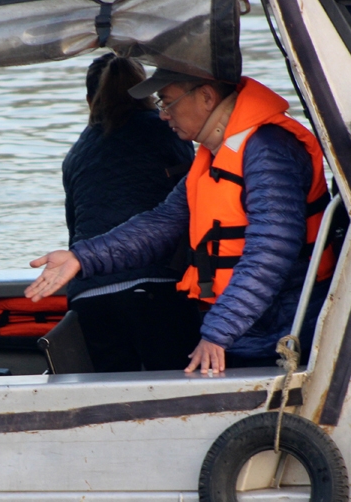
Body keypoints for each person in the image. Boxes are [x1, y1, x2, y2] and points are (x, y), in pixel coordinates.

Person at [26, 68, 335, 374]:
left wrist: (217, 333)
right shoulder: (217, 153)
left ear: (205, 97)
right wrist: (81, 257)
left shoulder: (268, 150)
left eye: (167, 102)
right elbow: (163, 222)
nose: (163, 115)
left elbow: (270, 253)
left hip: (282, 335)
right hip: (248, 331)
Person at [61, 54, 198, 372]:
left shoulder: (77, 153)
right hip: (154, 289)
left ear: (88, 99)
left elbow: (75, 229)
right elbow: (189, 206)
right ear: (149, 94)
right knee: (176, 394)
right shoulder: (168, 130)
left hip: (89, 296)